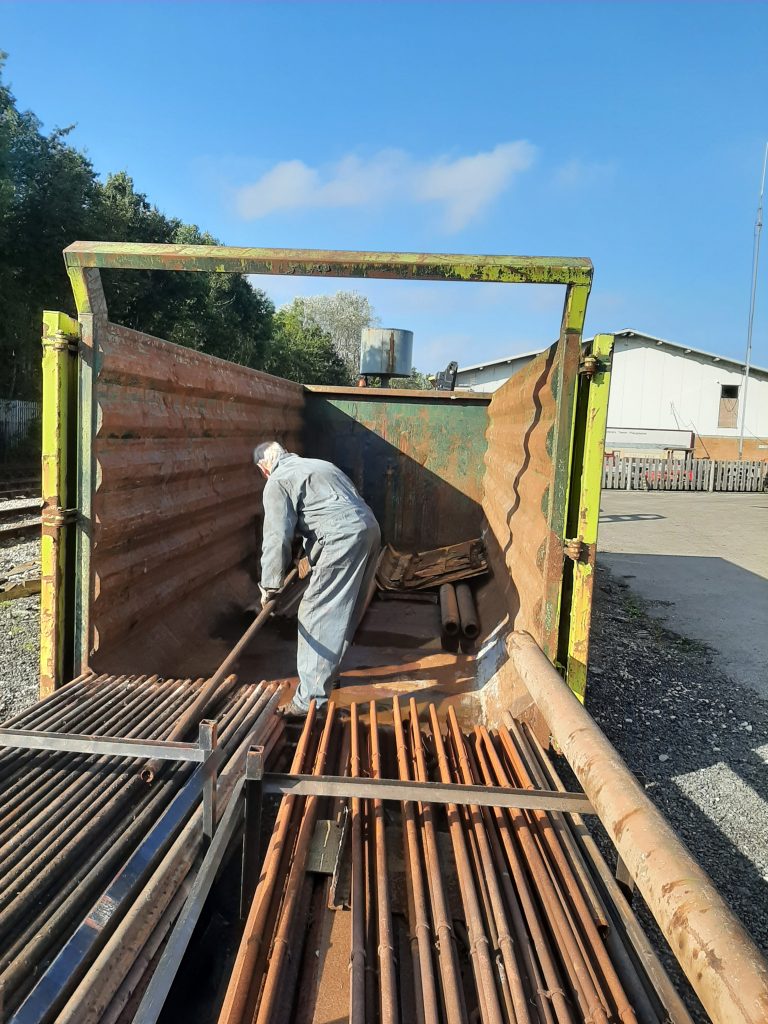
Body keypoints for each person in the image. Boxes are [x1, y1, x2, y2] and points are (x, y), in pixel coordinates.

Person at [254, 441, 381, 717]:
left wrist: (270, 586)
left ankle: (309, 700)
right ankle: (327, 675)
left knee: (316, 614)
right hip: (370, 530)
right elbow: (337, 512)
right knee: (343, 610)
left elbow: (277, 538)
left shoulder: (276, 481)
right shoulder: (320, 465)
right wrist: (310, 559)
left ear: (264, 468)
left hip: (343, 538)